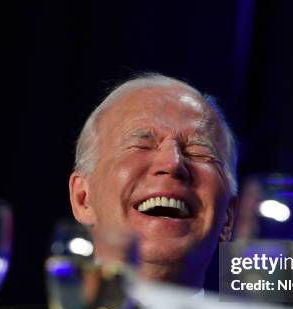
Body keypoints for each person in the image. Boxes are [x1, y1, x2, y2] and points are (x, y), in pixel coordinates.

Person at [69, 74, 238, 293]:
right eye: (141, 145)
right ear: (83, 198)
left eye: (199, 152)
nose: (173, 163)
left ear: (228, 217)